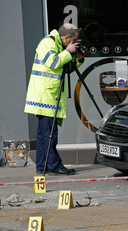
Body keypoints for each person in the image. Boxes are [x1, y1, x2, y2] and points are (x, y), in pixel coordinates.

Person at [24, 24, 86, 175]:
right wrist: (67, 52)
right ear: (66, 38)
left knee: (47, 134)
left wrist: (78, 59)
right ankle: (53, 166)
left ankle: (44, 166)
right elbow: (53, 63)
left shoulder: (60, 45)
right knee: (49, 134)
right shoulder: (47, 43)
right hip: (44, 97)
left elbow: (66, 68)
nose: (74, 43)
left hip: (51, 96)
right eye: (74, 40)